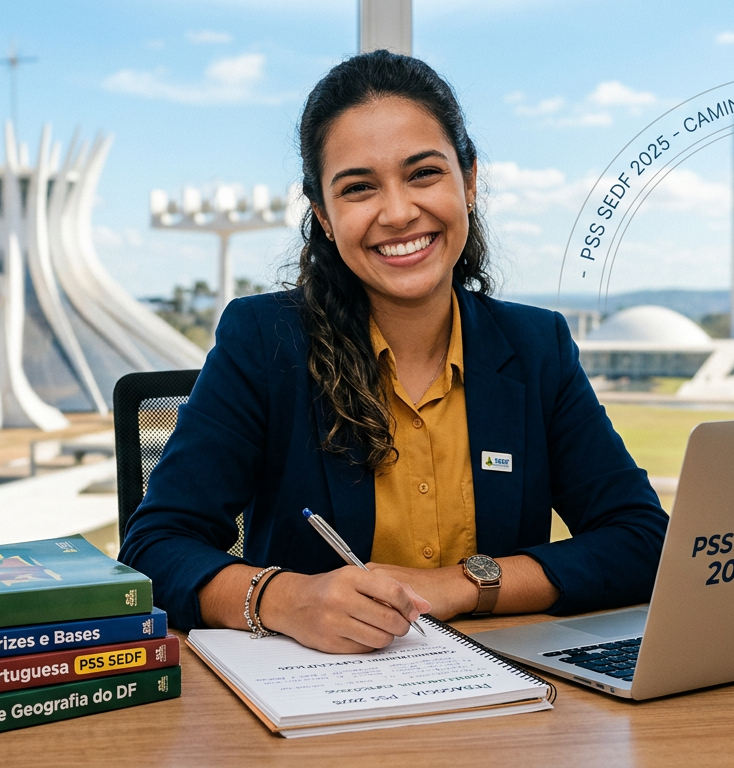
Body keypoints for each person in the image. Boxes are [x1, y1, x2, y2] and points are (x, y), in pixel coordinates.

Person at [120, 50, 667, 654]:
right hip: (316, 710)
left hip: (500, 701)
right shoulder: (264, 340)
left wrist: (460, 585)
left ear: (470, 181)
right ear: (324, 216)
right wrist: (284, 599)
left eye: (424, 174)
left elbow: (641, 539)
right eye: (359, 188)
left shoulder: (537, 347)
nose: (399, 212)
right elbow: (153, 549)